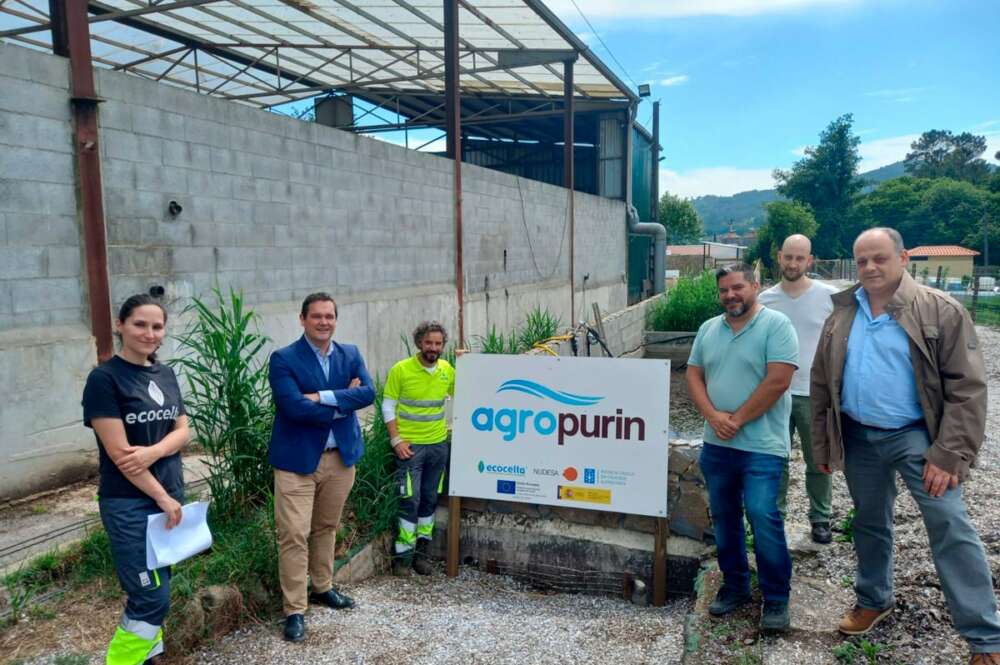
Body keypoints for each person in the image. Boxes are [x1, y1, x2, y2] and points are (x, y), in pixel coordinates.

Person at [811, 228, 1000, 664]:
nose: (870, 268)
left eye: (879, 258)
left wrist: (949, 454)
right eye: (862, 261)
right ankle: (874, 598)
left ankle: (985, 637)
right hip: (858, 435)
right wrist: (825, 446)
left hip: (916, 436)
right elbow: (822, 383)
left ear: (904, 257)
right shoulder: (843, 312)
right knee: (870, 522)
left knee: (950, 524)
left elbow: (968, 389)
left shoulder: (940, 310)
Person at [686, 263, 799, 632]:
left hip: (762, 445)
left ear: (754, 286)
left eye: (737, 288)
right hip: (716, 444)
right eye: (723, 291)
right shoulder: (708, 329)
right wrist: (713, 416)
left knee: (763, 515)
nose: (730, 296)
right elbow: (694, 374)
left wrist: (736, 420)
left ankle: (777, 599)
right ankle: (735, 586)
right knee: (724, 517)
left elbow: (778, 380)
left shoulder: (776, 325)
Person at [82, 294, 191, 665]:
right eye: (140, 324)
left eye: (157, 326)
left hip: (168, 495)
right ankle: (122, 661)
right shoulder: (104, 380)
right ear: (121, 325)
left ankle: (149, 656)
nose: (149, 333)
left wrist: (154, 452)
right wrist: (161, 496)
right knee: (150, 596)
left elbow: (183, 430)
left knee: (158, 582)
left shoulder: (165, 374)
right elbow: (120, 456)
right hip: (130, 503)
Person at [268, 293, 375, 642]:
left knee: (326, 527)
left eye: (329, 316)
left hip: (340, 459)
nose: (324, 322)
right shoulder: (283, 359)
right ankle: (295, 609)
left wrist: (320, 396)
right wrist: (343, 399)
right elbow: (293, 408)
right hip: (297, 462)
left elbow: (369, 394)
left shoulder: (350, 353)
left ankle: (323, 587)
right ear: (302, 319)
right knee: (294, 534)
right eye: (317, 316)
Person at [759, 234, 839, 544]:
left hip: (813, 392)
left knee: (818, 460)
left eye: (800, 258)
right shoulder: (765, 300)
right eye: (788, 256)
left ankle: (820, 517)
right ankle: (775, 515)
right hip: (774, 393)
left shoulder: (829, 297)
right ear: (779, 257)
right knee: (775, 458)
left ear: (810, 260)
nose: (793, 263)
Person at [383, 321, 456, 576]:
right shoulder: (401, 370)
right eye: (428, 343)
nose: (433, 348)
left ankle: (422, 555)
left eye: (438, 344)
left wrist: (467, 366)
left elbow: (464, 393)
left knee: (430, 499)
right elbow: (388, 406)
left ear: (443, 345)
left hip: (438, 446)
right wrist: (396, 441)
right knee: (409, 500)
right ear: (419, 343)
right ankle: (403, 557)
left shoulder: (447, 370)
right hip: (410, 449)